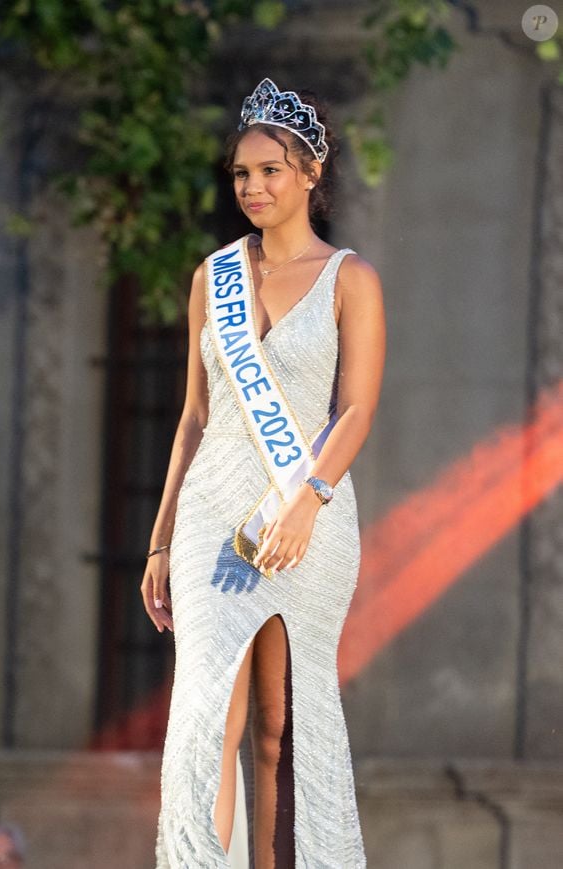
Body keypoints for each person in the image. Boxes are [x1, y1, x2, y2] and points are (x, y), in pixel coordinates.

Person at [142, 77, 386, 868]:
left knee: (285, 723)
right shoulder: (209, 279)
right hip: (214, 516)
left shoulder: (352, 279)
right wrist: (159, 542)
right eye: (242, 173)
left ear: (311, 174)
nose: (252, 187)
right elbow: (193, 418)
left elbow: (354, 410)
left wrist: (308, 500)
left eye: (270, 171)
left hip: (306, 513)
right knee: (209, 716)